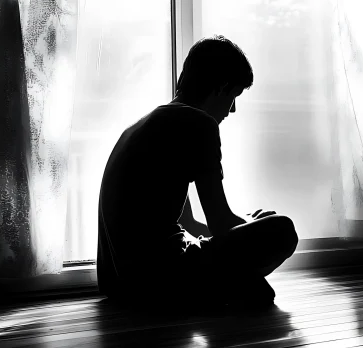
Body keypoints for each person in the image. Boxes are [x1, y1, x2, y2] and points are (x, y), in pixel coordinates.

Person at [96, 35, 298, 308]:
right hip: (161, 278)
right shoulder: (198, 124)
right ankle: (227, 288)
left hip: (117, 284)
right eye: (234, 96)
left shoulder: (146, 124)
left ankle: (230, 287)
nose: (233, 109)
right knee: (282, 229)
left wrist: (249, 226)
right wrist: (253, 233)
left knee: (261, 223)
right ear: (221, 87)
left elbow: (189, 223)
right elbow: (220, 222)